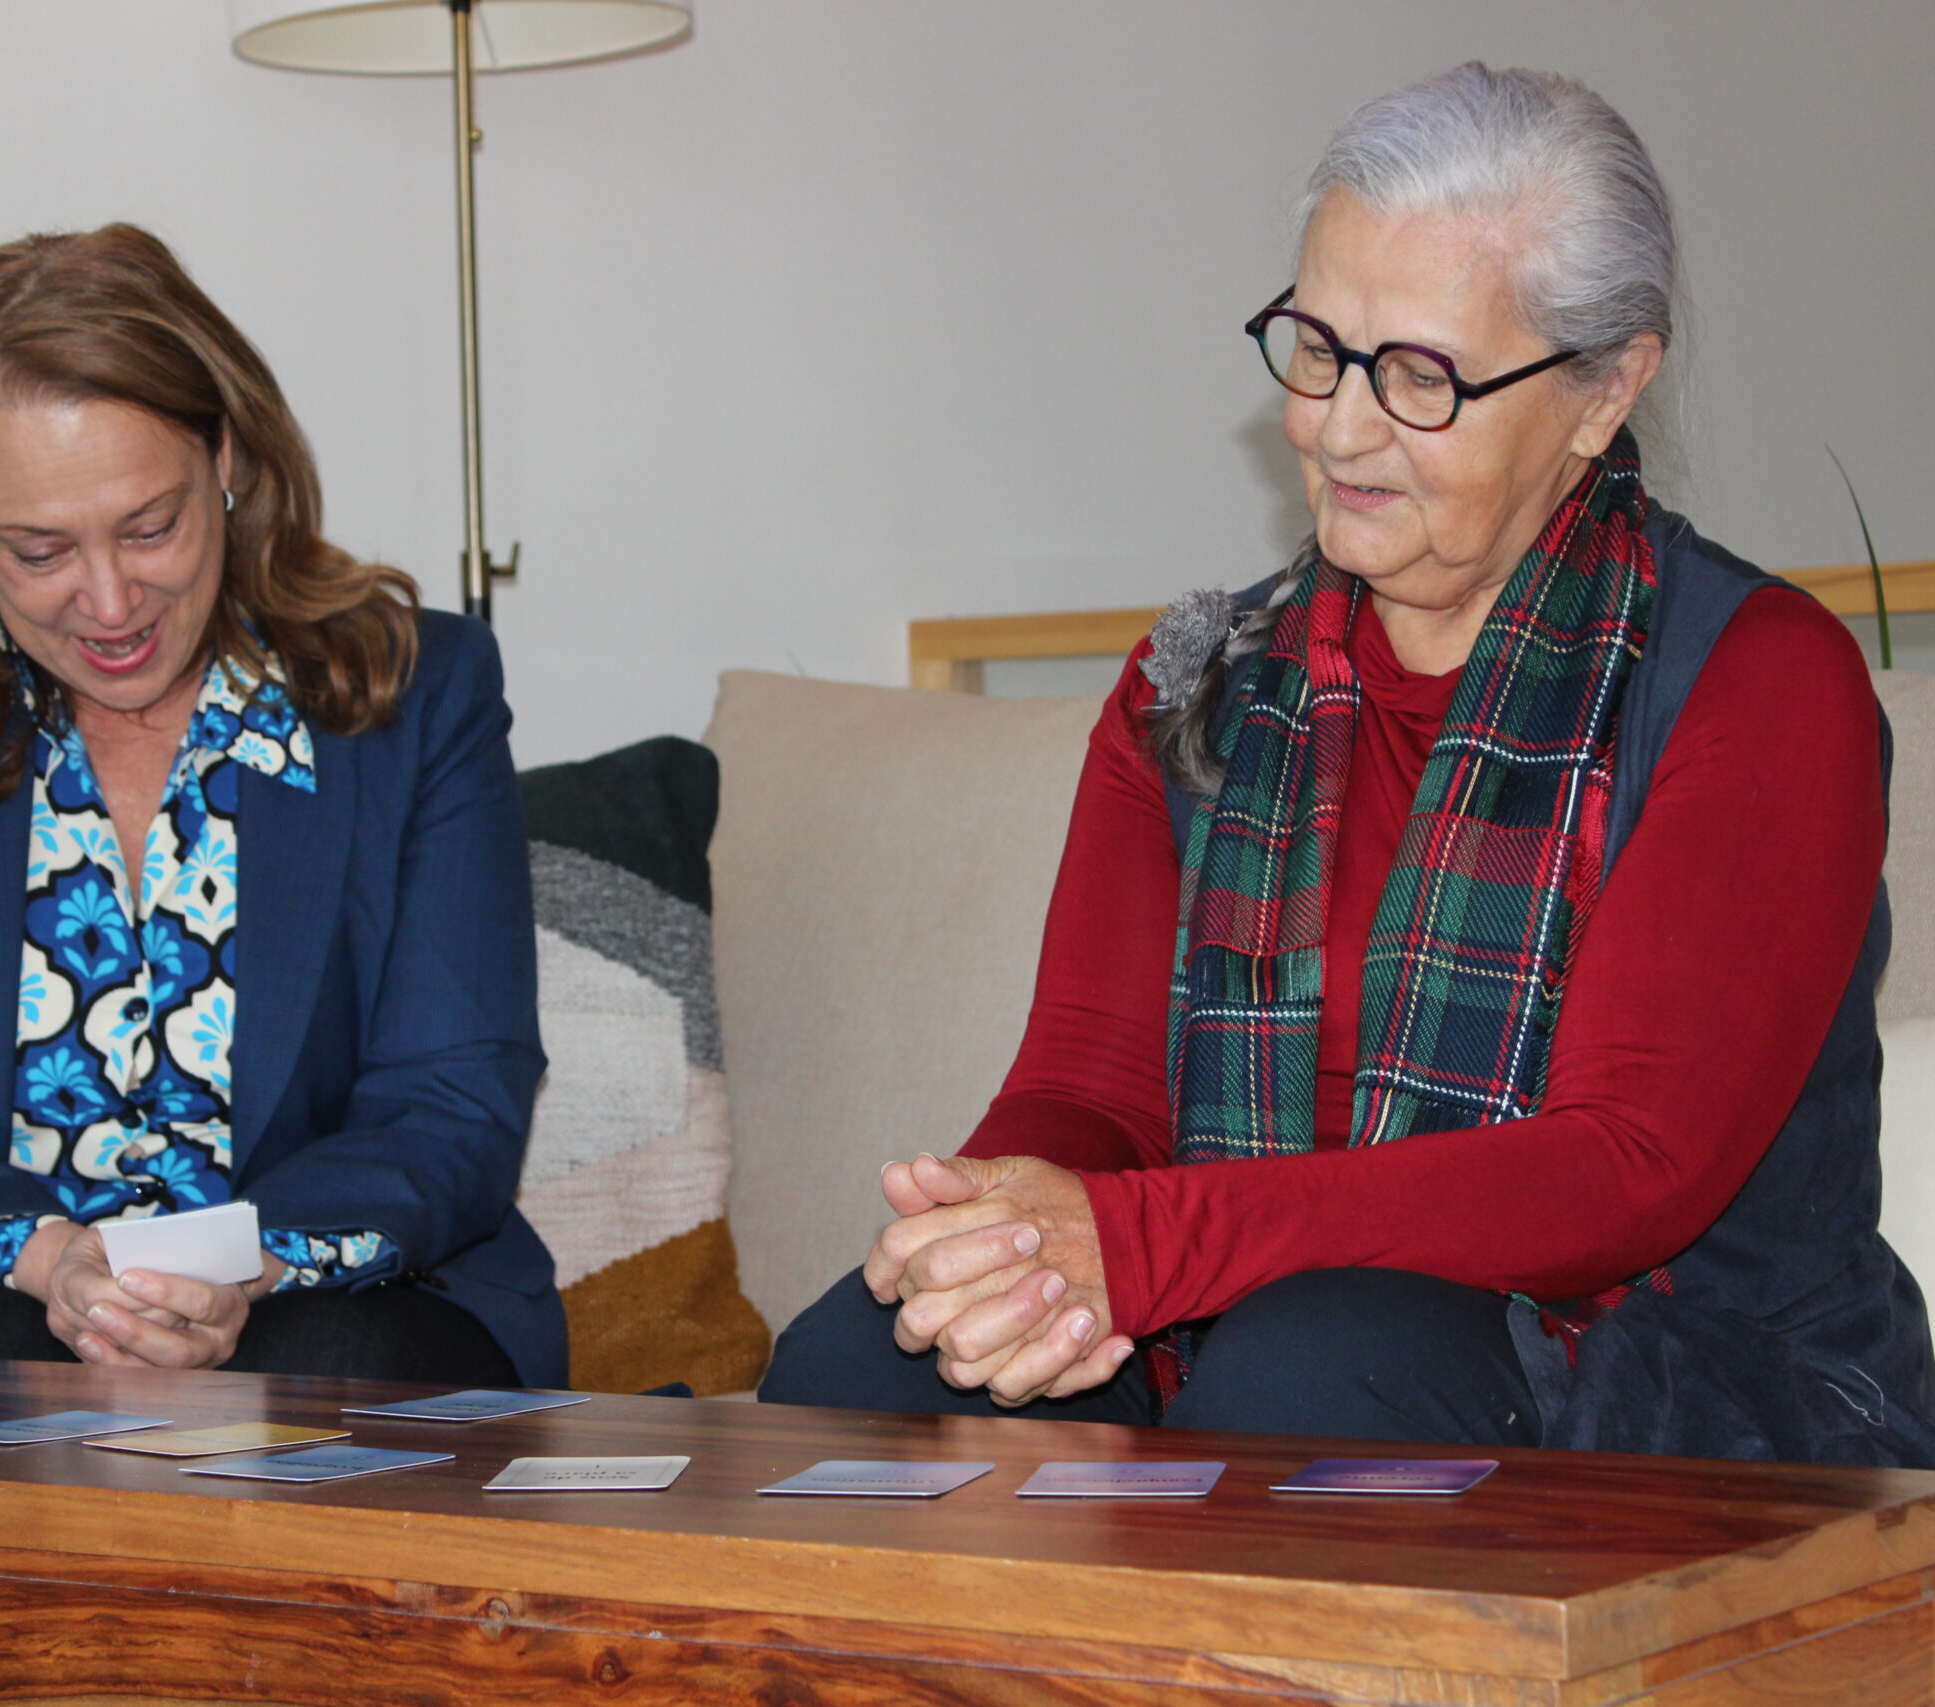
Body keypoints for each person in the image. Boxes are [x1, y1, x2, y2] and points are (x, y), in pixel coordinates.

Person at [760, 63, 1935, 1465]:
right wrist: (1012, 1236)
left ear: (1604, 387)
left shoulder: (1757, 675)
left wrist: (1146, 1245)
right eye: (1317, 348)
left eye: (1422, 375)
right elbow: (1099, 1088)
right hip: (1243, 1318)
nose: (1341, 424)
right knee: (858, 1366)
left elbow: (1626, 1166)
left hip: (1689, 1376)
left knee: (1317, 1368)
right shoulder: (1194, 682)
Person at [0, 223, 561, 1385]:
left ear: (225, 457)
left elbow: (451, 1101)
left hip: (335, 1294)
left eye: (151, 526)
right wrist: (53, 1263)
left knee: (329, 1368)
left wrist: (234, 1265)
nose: (111, 600)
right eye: (40, 550)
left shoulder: (415, 692)